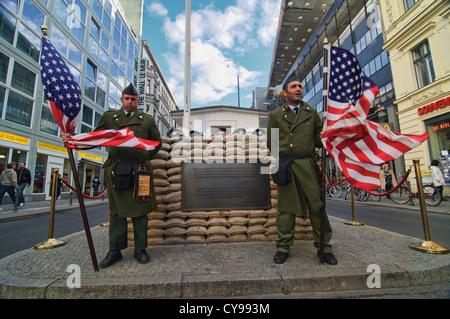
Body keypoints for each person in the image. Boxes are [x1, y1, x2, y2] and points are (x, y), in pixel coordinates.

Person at [62, 83, 162, 268]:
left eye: (133, 99)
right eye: (127, 99)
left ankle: (140, 249)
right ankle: (114, 251)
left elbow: (156, 143)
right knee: (116, 213)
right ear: (121, 99)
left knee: (140, 213)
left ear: (138, 101)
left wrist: (143, 156)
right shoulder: (110, 117)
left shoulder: (146, 120)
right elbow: (95, 136)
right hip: (116, 170)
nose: (130, 102)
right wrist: (73, 139)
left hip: (139, 171)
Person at [267, 72, 337, 265]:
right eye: (293, 86)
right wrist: (282, 160)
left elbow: (318, 141)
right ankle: (283, 247)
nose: (298, 89)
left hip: (307, 164)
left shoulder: (312, 113)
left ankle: (324, 247)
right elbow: (271, 143)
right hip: (287, 165)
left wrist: (325, 136)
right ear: (284, 92)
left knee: (317, 206)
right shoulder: (275, 115)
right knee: (286, 210)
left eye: (299, 86)